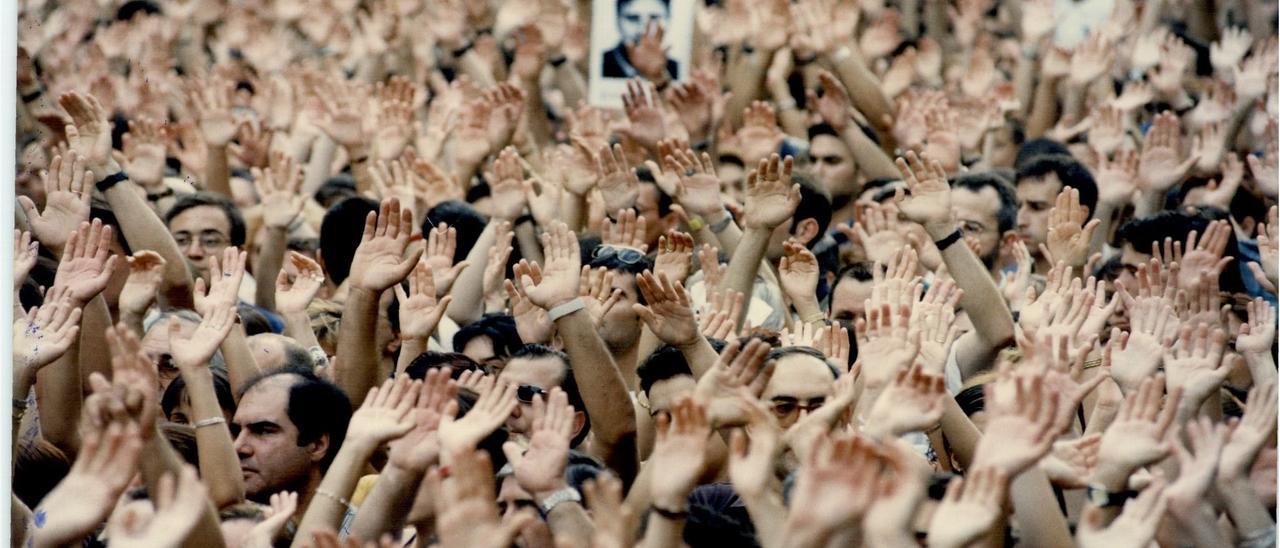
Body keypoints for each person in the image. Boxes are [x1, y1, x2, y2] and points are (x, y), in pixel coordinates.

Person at [601, 0, 679, 81]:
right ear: (617, 19)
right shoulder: (600, 64)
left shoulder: (676, 69)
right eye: (633, 18)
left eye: (654, 18)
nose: (642, 31)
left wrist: (658, 76)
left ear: (669, 19)